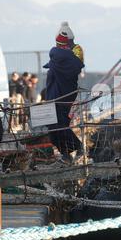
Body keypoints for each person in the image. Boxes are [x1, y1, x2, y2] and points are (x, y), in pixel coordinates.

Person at [44, 22, 84, 163]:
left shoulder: (55, 57)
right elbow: (78, 66)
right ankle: (67, 153)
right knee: (60, 124)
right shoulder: (73, 56)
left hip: (56, 96)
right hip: (66, 94)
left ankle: (74, 148)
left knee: (56, 125)